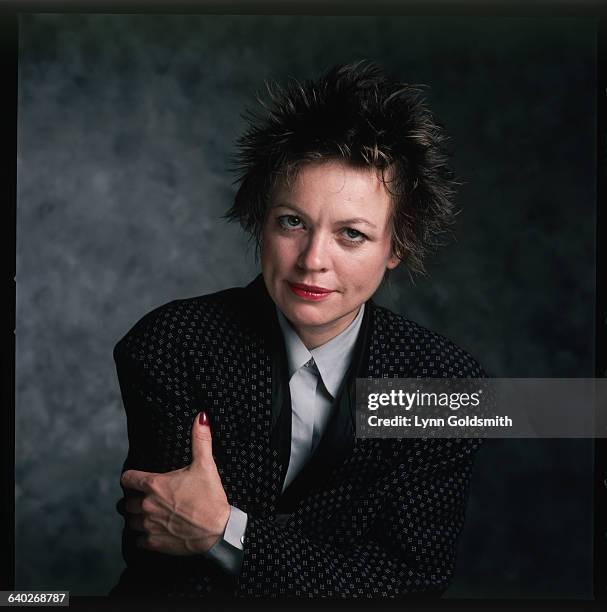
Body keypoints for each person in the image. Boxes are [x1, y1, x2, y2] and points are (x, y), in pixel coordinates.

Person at [111, 61, 484, 600]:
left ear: (396, 247)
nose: (313, 261)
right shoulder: (172, 344)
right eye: (292, 222)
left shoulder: (443, 384)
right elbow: (172, 559)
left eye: (351, 235)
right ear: (262, 221)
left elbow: (410, 581)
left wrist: (225, 532)